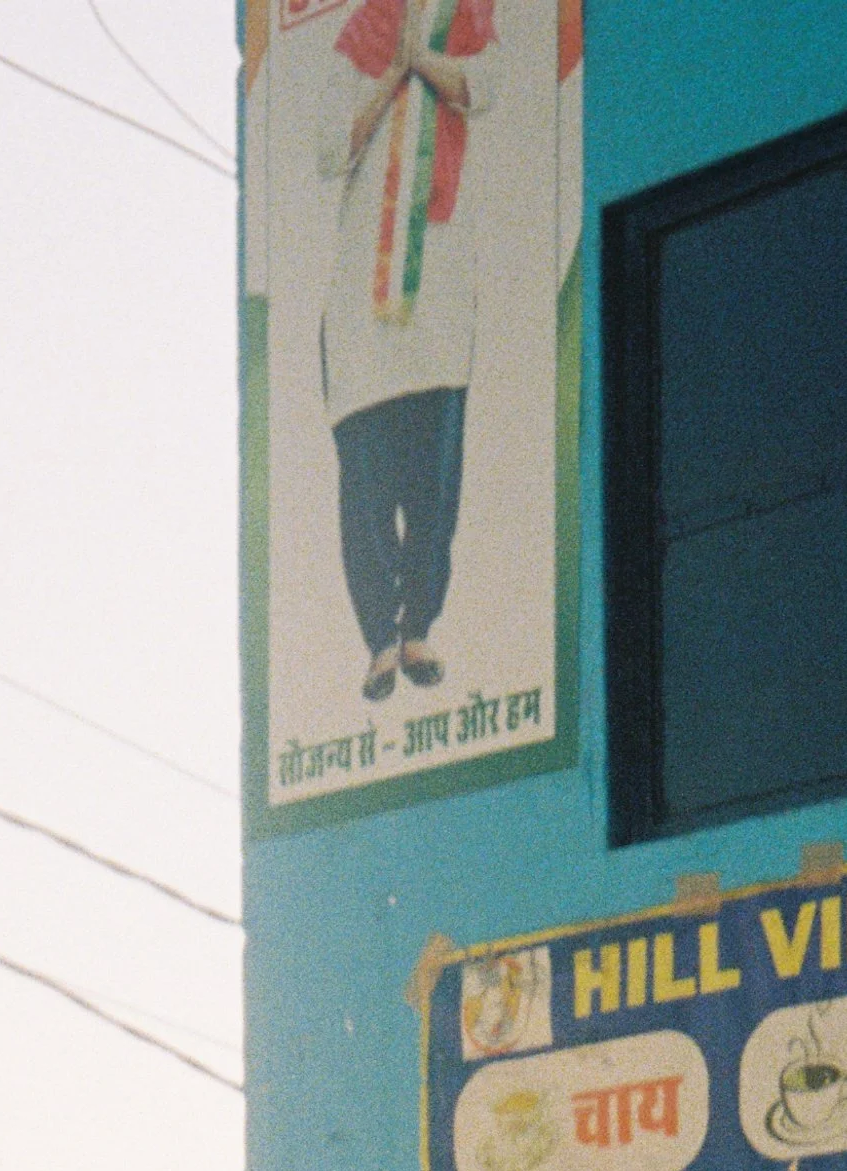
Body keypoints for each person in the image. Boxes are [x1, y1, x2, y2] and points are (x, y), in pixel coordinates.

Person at [318, 1, 499, 703]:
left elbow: (486, 87)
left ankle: (418, 623)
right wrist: (390, 73)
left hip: (440, 287)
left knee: (433, 471)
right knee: (362, 478)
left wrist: (421, 61)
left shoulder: (471, 13)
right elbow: (328, 145)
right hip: (361, 304)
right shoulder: (364, 27)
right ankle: (378, 639)